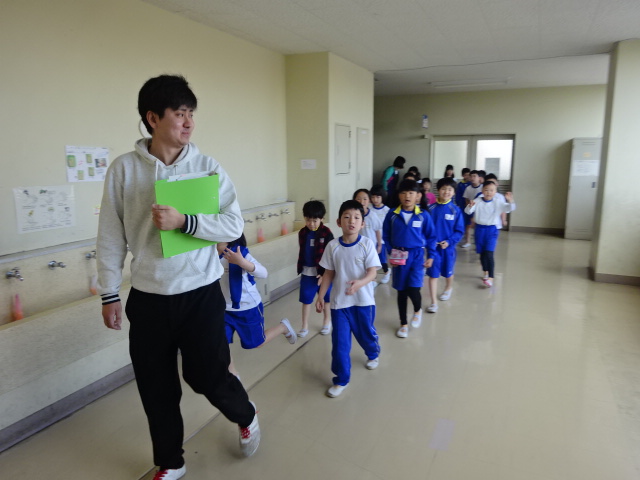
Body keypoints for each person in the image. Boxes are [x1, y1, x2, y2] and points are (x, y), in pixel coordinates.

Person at [97, 74, 259, 480]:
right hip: (148, 298)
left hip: (199, 293)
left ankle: (245, 414)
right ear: (153, 118)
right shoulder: (123, 170)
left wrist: (186, 221)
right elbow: (110, 236)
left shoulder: (207, 167)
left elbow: (233, 224)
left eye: (191, 114)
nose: (189, 122)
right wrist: (109, 293)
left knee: (208, 377)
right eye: (180, 114)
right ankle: (171, 461)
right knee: (156, 387)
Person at [316, 200, 381, 397]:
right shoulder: (333, 246)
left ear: (362, 223)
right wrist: (321, 296)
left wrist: (360, 283)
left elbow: (372, 273)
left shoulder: (366, 244)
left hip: (363, 302)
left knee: (365, 335)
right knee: (340, 344)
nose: (351, 221)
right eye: (346, 217)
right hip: (339, 304)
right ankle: (341, 379)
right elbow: (328, 273)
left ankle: (373, 352)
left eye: (356, 217)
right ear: (338, 222)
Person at [217, 234, 297, 378]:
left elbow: (263, 273)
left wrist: (242, 262)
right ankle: (233, 374)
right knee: (221, 342)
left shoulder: (240, 252)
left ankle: (283, 327)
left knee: (256, 343)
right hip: (223, 308)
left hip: (247, 307)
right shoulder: (208, 253)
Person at [382, 179, 436, 338]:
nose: (407, 196)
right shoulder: (392, 214)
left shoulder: (423, 215)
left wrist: (431, 255)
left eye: (411, 193)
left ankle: (417, 310)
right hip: (399, 256)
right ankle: (403, 324)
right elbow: (386, 235)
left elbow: (431, 237)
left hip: (417, 256)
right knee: (401, 291)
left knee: (414, 288)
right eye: (404, 193)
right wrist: (391, 252)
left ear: (418, 195)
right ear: (399, 195)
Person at [465, 183, 516, 288]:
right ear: (482, 191)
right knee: (482, 254)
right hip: (479, 230)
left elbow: (509, 208)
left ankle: (491, 277)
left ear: (495, 192)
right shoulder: (478, 201)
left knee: (489, 253)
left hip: (492, 230)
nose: (489, 192)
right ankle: (485, 272)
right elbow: (468, 211)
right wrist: (470, 206)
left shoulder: (498, 202)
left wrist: (510, 201)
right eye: (486, 190)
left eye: (491, 190)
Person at [426, 178, 465, 312]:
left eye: (450, 189)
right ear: (438, 190)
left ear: (454, 192)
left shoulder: (455, 210)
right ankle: (433, 302)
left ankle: (448, 287)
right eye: (443, 189)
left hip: (448, 249)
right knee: (433, 274)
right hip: (433, 249)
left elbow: (459, 231)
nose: (446, 192)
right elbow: (426, 229)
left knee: (448, 272)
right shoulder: (430, 209)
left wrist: (449, 242)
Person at [297, 200, 334, 337]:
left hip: (324, 273)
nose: (311, 223)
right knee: (306, 299)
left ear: (322, 218)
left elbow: (330, 255)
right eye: (308, 220)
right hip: (307, 272)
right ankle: (304, 325)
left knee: (326, 298)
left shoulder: (327, 233)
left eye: (315, 220)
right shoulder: (302, 233)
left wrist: (325, 273)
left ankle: (326, 321)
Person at [353, 188, 383, 268]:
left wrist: (379, 245)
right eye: (358, 199)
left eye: (365, 199)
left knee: (371, 267)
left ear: (369, 200)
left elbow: (377, 230)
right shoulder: (353, 216)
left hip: (371, 247)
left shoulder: (373, 215)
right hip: (357, 247)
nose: (361, 201)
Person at [369, 184, 391, 284]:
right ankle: (373, 279)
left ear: (382, 197)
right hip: (371, 239)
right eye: (373, 197)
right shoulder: (370, 209)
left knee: (382, 260)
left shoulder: (387, 210)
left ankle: (387, 271)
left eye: (378, 197)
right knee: (372, 261)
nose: (375, 200)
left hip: (382, 240)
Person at [461, 169, 484, 248]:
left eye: (475, 176)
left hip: (479, 211)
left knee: (478, 226)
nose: (472, 178)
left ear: (479, 178)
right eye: (471, 176)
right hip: (470, 209)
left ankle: (479, 241)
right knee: (468, 225)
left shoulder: (482, 187)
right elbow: (466, 199)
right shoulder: (468, 188)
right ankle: (468, 241)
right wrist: (469, 208)